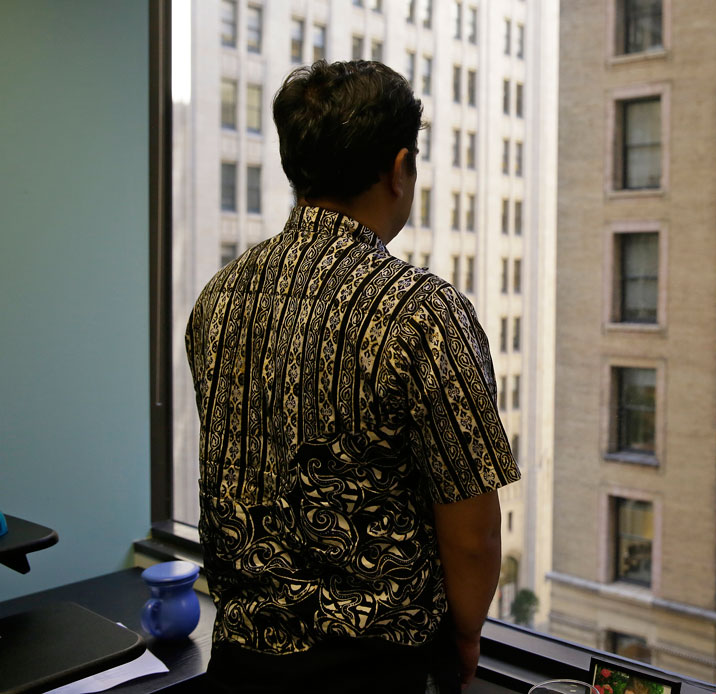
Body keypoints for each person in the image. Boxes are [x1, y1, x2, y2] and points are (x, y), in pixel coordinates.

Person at [185, 60, 520, 694]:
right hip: (374, 671)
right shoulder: (422, 313)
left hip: (238, 666)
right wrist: (468, 632)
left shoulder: (219, 297)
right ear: (399, 169)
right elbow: (473, 534)